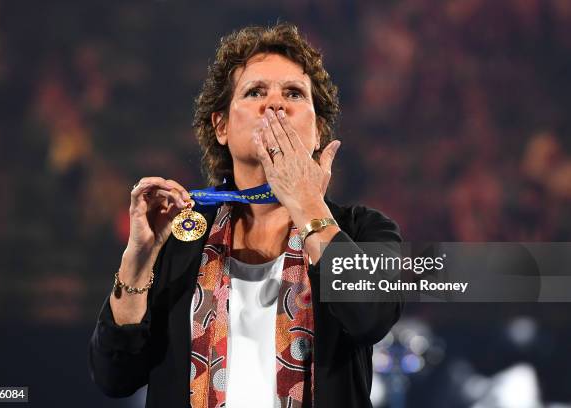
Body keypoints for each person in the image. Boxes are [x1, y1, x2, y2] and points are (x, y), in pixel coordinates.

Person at [89, 23, 402, 408]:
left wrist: (306, 204)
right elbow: (115, 376)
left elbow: (371, 317)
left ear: (318, 130)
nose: (276, 105)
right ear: (221, 126)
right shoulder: (181, 234)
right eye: (255, 92)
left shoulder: (364, 229)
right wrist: (138, 260)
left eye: (293, 93)